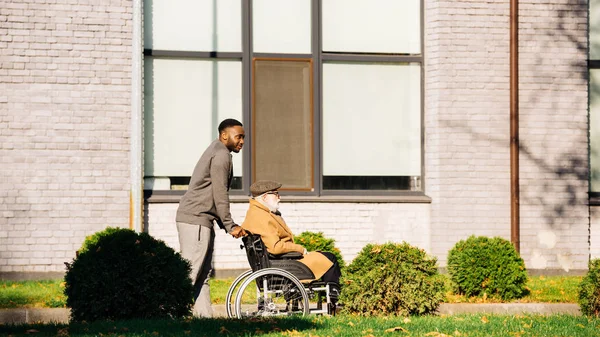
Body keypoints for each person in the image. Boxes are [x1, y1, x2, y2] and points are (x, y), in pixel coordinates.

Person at [175, 118, 247, 318]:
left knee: (202, 274)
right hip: (195, 218)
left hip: (200, 219)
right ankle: (168, 315)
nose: (242, 141)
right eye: (238, 136)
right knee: (190, 272)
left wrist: (225, 224)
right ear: (224, 135)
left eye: (244, 138)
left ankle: (204, 319)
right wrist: (229, 224)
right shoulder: (221, 154)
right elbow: (220, 193)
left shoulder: (217, 150)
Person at [241, 180, 342, 290]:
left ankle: (331, 298)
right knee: (330, 258)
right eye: (275, 194)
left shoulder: (256, 212)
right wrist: (300, 249)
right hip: (283, 263)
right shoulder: (262, 217)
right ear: (265, 197)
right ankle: (334, 299)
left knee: (324, 257)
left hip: (278, 262)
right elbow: (275, 247)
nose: (279, 197)